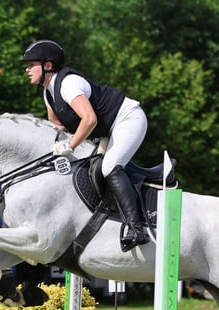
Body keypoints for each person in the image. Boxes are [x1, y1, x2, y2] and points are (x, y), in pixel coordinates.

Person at [22, 39, 149, 252]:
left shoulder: (69, 83)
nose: (27, 69)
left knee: (109, 168)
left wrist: (70, 146)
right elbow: (57, 125)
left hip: (128, 119)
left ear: (48, 65)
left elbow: (89, 119)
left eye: (31, 64)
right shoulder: (48, 93)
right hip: (108, 130)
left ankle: (136, 228)